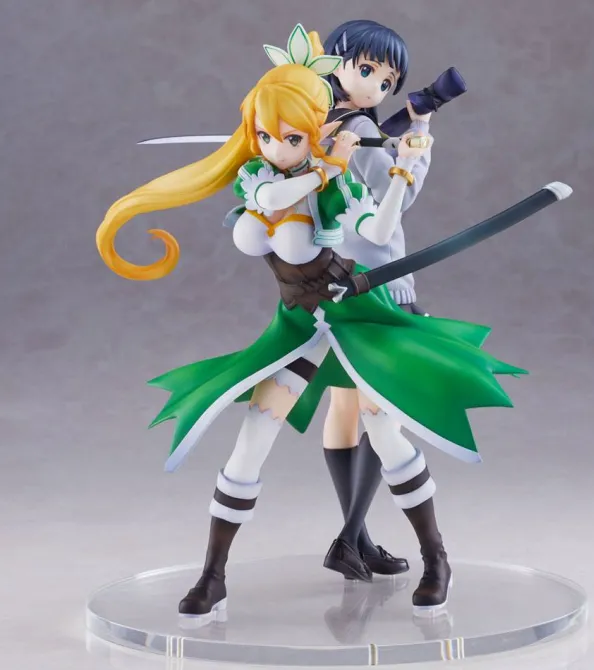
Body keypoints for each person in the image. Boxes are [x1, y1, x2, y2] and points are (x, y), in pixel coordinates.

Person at [96, 24, 526, 625]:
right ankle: (214, 575)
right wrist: (310, 161)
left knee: (385, 430)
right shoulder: (267, 176)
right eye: (271, 136)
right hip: (300, 321)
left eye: (386, 81)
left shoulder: (342, 178)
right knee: (254, 433)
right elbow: (264, 208)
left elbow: (377, 233)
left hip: (357, 312)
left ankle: (435, 559)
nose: (281, 146)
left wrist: (402, 168)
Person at [287, 20, 436, 583]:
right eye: (368, 70)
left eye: (387, 81)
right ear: (336, 60)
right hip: (377, 283)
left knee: (346, 404)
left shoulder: (310, 125)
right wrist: (418, 142)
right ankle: (350, 537)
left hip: (328, 281)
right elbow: (394, 207)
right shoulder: (361, 129)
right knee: (381, 407)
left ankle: (357, 540)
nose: (377, 87)